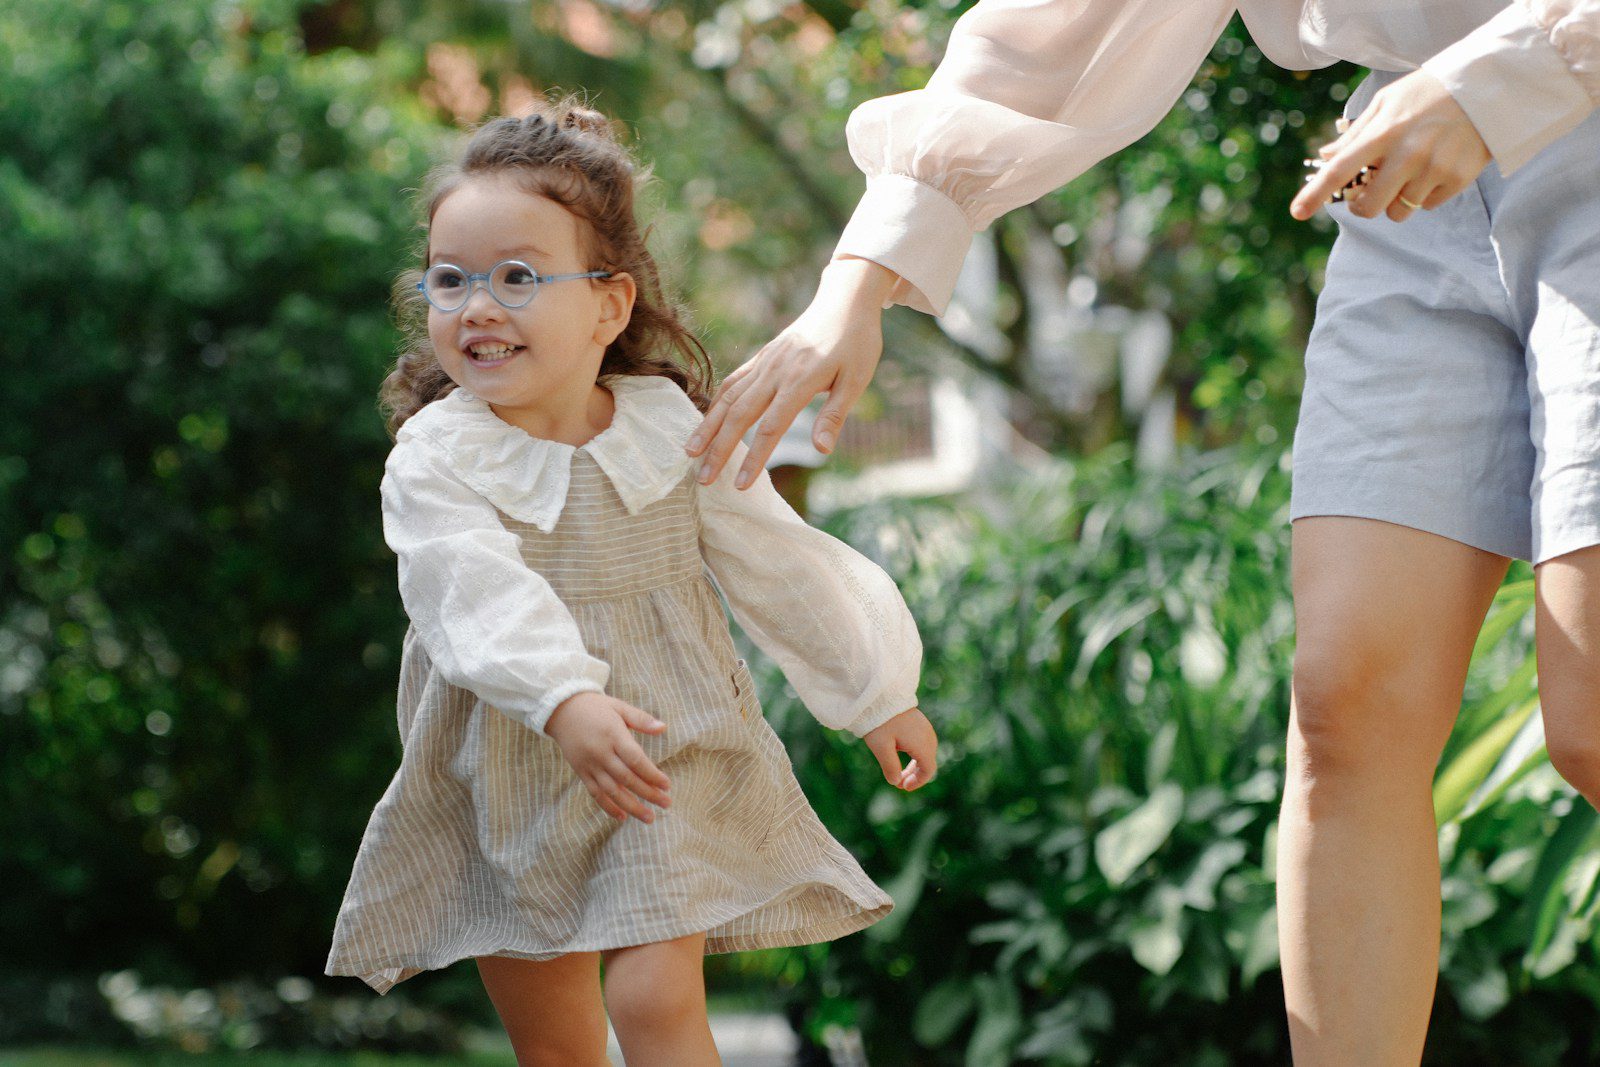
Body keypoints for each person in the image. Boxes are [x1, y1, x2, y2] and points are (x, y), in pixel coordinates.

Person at [683, 1, 1600, 1062]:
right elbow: (1052, 32)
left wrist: (1503, 76)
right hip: (1404, 183)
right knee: (1347, 704)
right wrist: (859, 281)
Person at [323, 98, 938, 1066]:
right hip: (509, 765)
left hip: (659, 753)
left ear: (609, 305)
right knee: (558, 1044)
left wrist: (874, 691)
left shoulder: (665, 426)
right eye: (449, 279)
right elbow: (471, 592)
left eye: (517, 277)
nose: (476, 305)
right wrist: (564, 697)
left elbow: (773, 556)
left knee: (657, 999)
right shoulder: (437, 457)